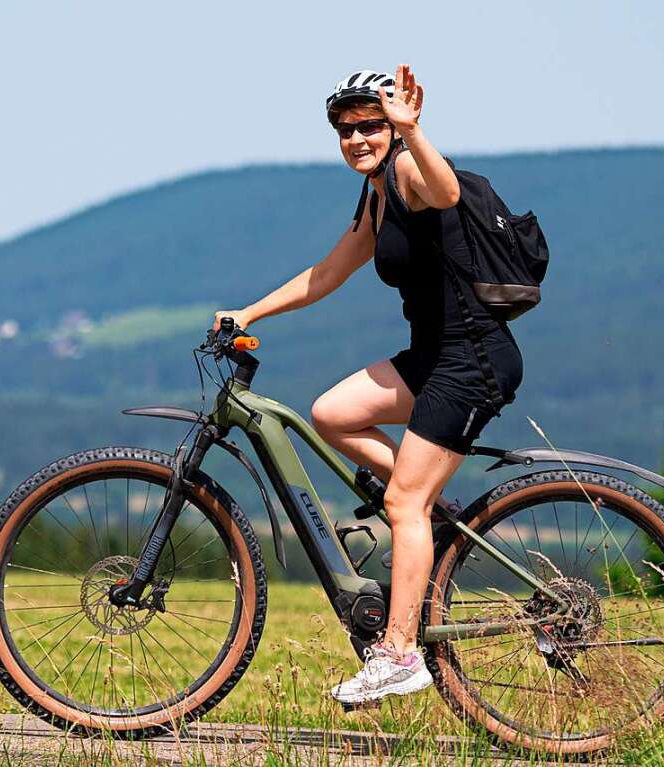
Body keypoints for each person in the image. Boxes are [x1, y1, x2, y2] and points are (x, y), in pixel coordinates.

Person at [212, 65, 523, 705]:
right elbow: (326, 273)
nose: (357, 138)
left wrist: (413, 131)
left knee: (400, 503)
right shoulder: (377, 194)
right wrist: (249, 313)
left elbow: (445, 194)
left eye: (370, 126)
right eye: (346, 130)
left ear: (392, 125)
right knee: (332, 413)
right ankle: (436, 511)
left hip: (473, 360)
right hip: (433, 355)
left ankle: (401, 653)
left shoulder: (409, 170)